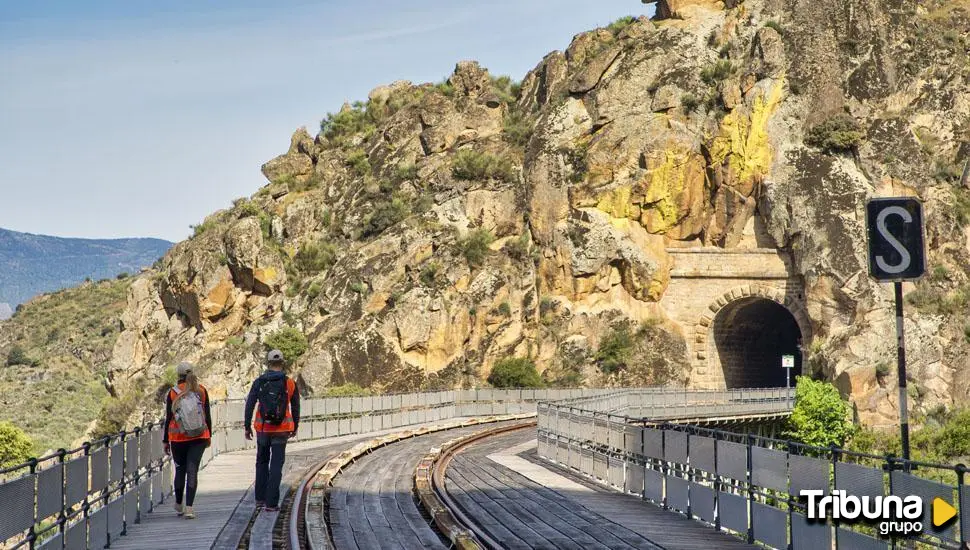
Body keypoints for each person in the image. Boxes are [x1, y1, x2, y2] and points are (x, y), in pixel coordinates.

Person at [244, 349, 300, 511]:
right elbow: (296, 406)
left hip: (263, 429)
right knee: (276, 465)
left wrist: (247, 426)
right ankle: (271, 503)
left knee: (261, 462)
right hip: (282, 430)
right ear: (282, 363)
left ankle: (259, 499)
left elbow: (250, 404)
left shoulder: (259, 381)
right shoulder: (289, 383)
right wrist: (295, 426)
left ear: (268, 363)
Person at [162, 362, 212, 519]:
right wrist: (209, 435)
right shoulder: (201, 391)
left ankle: (178, 503)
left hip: (178, 438)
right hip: (199, 436)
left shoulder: (172, 393)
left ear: (178, 375)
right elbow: (207, 415)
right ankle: (189, 508)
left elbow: (168, 418)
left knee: (180, 470)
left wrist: (165, 440)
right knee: (192, 471)